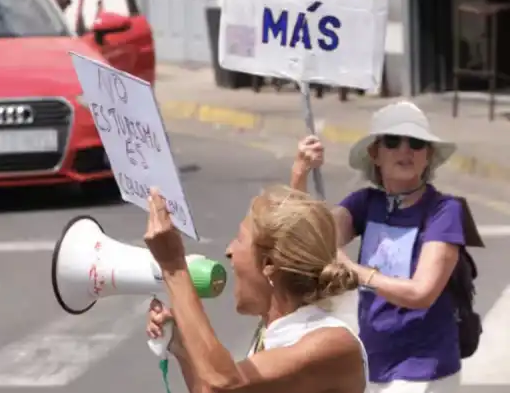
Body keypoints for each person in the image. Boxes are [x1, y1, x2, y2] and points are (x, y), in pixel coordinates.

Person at [290, 100, 465, 393]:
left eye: (417, 143)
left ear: (428, 156)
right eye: (393, 141)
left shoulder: (444, 211)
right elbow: (308, 241)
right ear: (375, 154)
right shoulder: (365, 203)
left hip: (421, 367)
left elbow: (421, 293)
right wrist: (300, 173)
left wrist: (353, 270)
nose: (405, 150)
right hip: (369, 361)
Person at [144, 185, 368, 393]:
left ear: (269, 263)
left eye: (240, 239)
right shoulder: (275, 333)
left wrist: (173, 266)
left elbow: (222, 384)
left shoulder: (332, 342)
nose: (229, 250)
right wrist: (181, 346)